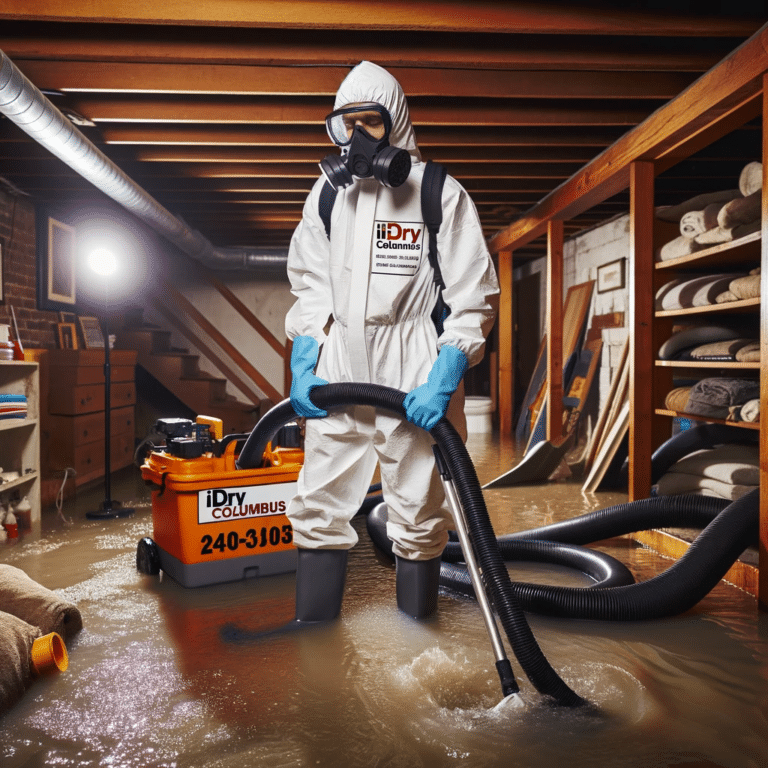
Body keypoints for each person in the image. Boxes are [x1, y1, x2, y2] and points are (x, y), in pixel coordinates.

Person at [285, 61, 499, 622]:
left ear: (396, 124)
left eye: (370, 123)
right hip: (338, 370)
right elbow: (308, 283)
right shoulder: (328, 196)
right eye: (345, 123)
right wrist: (305, 355)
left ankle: (416, 641)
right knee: (316, 504)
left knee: (416, 510)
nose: (356, 138)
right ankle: (315, 637)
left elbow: (473, 293)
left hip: (410, 370)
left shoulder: (437, 192)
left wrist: (446, 372)